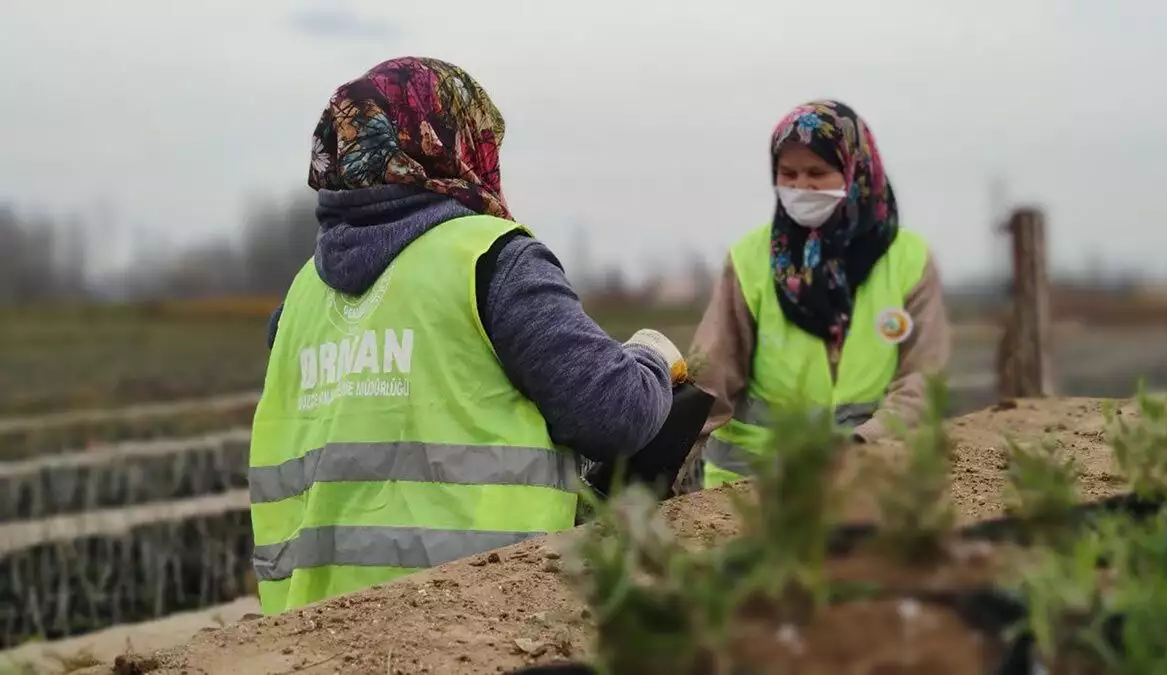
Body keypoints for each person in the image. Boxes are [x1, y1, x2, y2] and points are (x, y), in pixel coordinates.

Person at [249, 56, 687, 615]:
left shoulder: (299, 299)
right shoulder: (491, 258)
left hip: (318, 630)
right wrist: (651, 359)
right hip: (471, 622)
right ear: (453, 141)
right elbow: (611, 411)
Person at [682, 100, 951, 490]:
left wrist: (862, 441)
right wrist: (665, 457)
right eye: (787, 174)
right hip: (748, 489)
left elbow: (922, 380)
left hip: (865, 477)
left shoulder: (908, 261)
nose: (800, 187)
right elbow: (710, 376)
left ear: (856, 171)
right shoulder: (750, 260)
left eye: (817, 173)